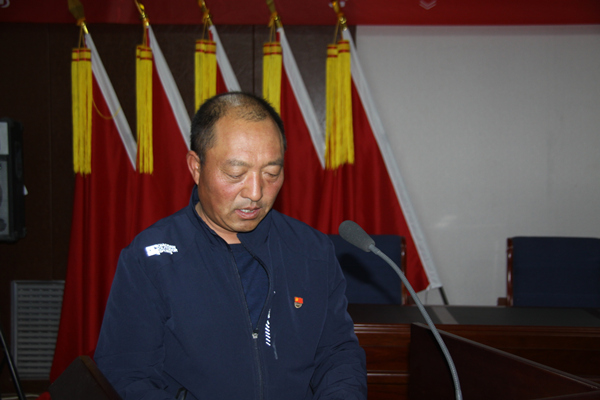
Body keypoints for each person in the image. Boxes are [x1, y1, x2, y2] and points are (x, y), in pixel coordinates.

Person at [94, 92, 367, 400]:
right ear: (196, 167)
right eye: (236, 174)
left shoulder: (311, 251)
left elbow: (337, 353)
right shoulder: (150, 260)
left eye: (271, 173)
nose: (256, 192)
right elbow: (127, 376)